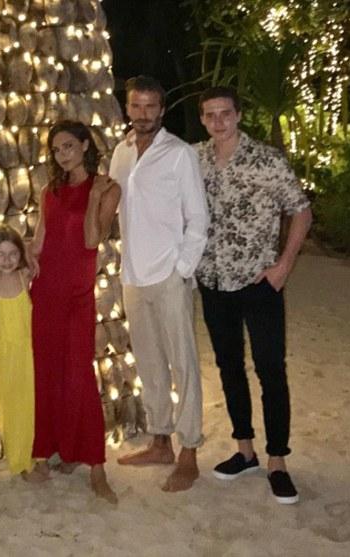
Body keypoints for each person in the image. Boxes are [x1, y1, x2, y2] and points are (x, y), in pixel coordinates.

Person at [196, 86, 312, 504]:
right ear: (202, 119)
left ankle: (277, 460)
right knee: (229, 366)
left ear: (239, 115)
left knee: (270, 368)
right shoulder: (195, 159)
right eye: (210, 115)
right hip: (213, 280)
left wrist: (283, 266)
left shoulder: (267, 159)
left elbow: (301, 211)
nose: (218, 122)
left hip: (259, 281)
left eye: (225, 113)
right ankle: (244, 450)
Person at [111, 75, 208, 492]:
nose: (143, 113)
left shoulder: (179, 154)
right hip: (133, 275)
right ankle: (160, 441)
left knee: (182, 364)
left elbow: (198, 218)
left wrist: (182, 268)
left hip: (169, 276)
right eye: (137, 105)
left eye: (151, 106)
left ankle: (190, 450)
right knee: (149, 363)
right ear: (127, 108)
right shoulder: (120, 152)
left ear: (162, 110)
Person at [28, 120, 121, 504]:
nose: (62, 155)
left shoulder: (109, 188)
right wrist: (19, 259)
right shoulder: (49, 190)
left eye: (68, 146)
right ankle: (45, 454)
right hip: (45, 290)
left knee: (80, 374)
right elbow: (40, 239)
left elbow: (91, 239)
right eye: (56, 149)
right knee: (45, 371)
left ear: (85, 145)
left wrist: (94, 197)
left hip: (78, 294)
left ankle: (96, 466)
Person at [0, 225, 46, 482]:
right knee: (9, 408)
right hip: (1, 355)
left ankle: (35, 455)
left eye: (12, 254)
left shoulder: (25, 276)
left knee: (29, 406)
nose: (7, 260)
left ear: (21, 255)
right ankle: (19, 460)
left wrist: (31, 256)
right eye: (0, 254)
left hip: (26, 353)